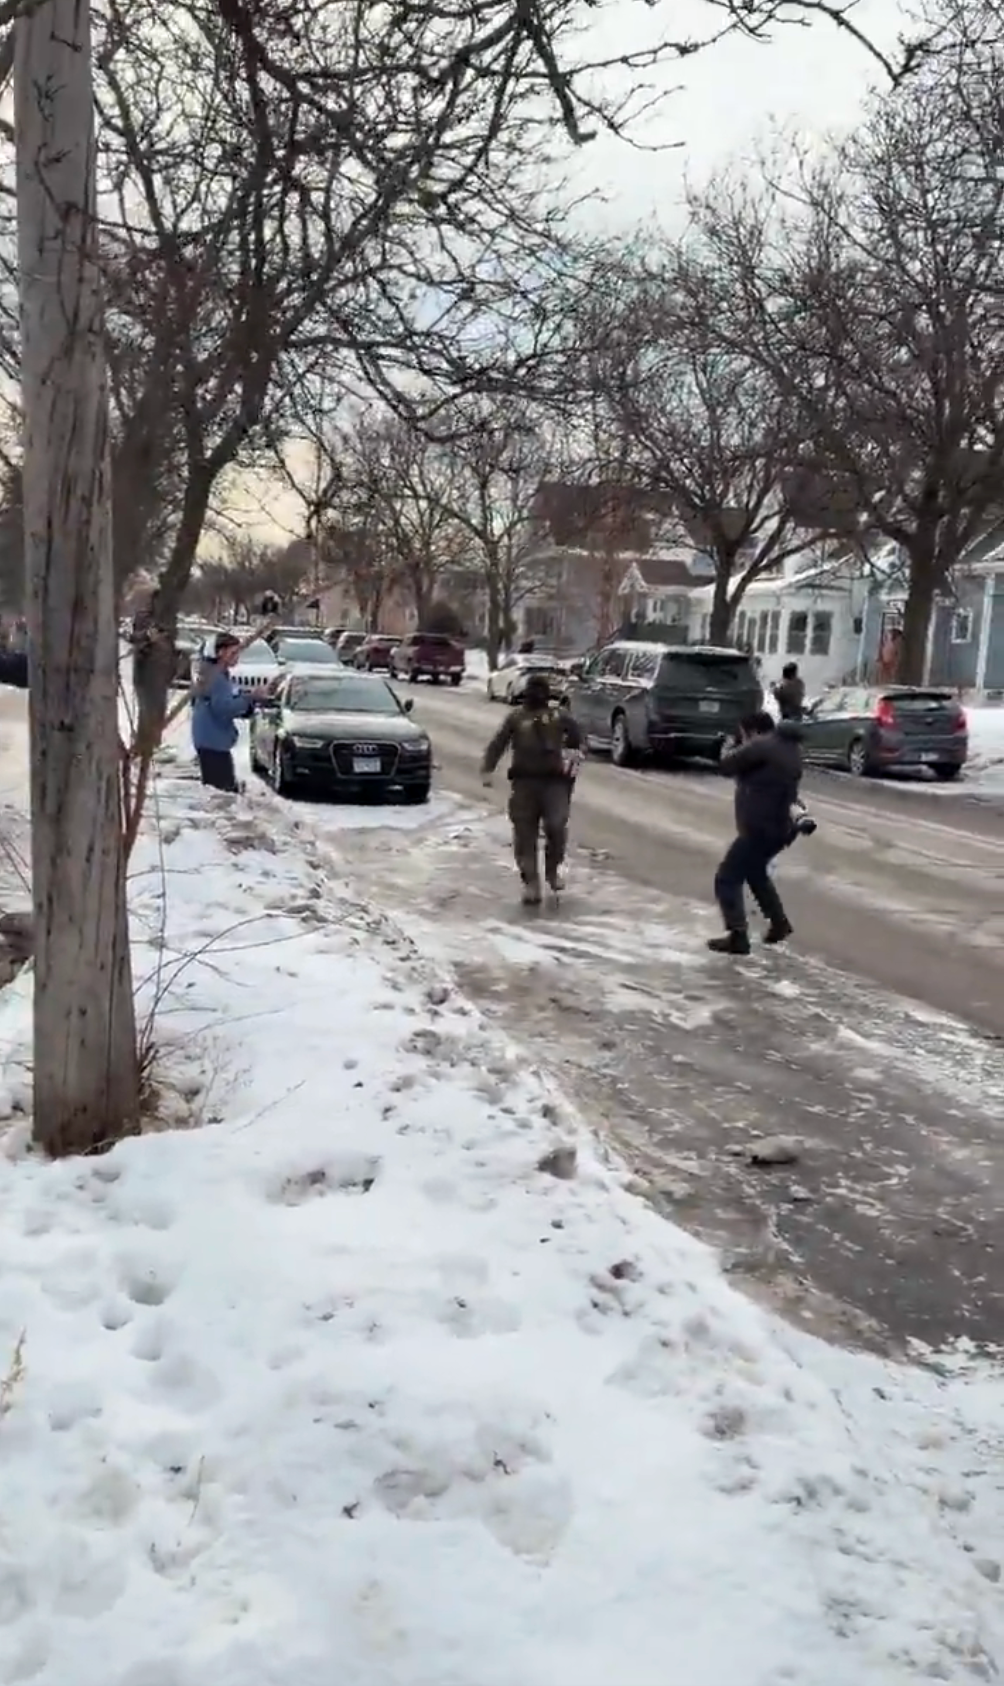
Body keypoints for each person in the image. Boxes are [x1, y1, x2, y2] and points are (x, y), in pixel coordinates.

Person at [481, 671, 582, 905]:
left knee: (556, 826)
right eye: (532, 691)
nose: (535, 696)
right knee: (524, 834)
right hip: (524, 783)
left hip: (555, 783)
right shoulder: (516, 718)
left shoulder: (559, 717)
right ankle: (531, 883)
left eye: (540, 691)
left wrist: (572, 763)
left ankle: (552, 870)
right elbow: (498, 743)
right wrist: (488, 768)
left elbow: (577, 741)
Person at [709, 710, 803, 955]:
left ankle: (738, 935)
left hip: (760, 827)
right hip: (780, 828)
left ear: (751, 732)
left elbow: (727, 765)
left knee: (727, 877)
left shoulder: (762, 746)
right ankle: (779, 923)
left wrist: (728, 745)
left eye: (742, 734)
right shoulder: (789, 749)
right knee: (755, 872)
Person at [190, 631, 255, 792]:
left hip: (210, 739)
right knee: (221, 793)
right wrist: (250, 699)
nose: (237, 656)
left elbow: (224, 698)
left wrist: (245, 698)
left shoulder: (213, 673)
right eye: (233, 652)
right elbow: (222, 707)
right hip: (213, 742)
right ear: (219, 653)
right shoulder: (216, 677)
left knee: (219, 789)